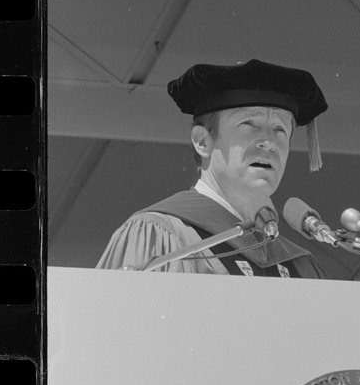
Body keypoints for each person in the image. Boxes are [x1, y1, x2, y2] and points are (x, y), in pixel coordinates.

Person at [96, 59, 329, 278]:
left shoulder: (301, 265)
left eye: (280, 130)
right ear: (202, 142)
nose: (268, 143)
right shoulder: (160, 237)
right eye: (248, 124)